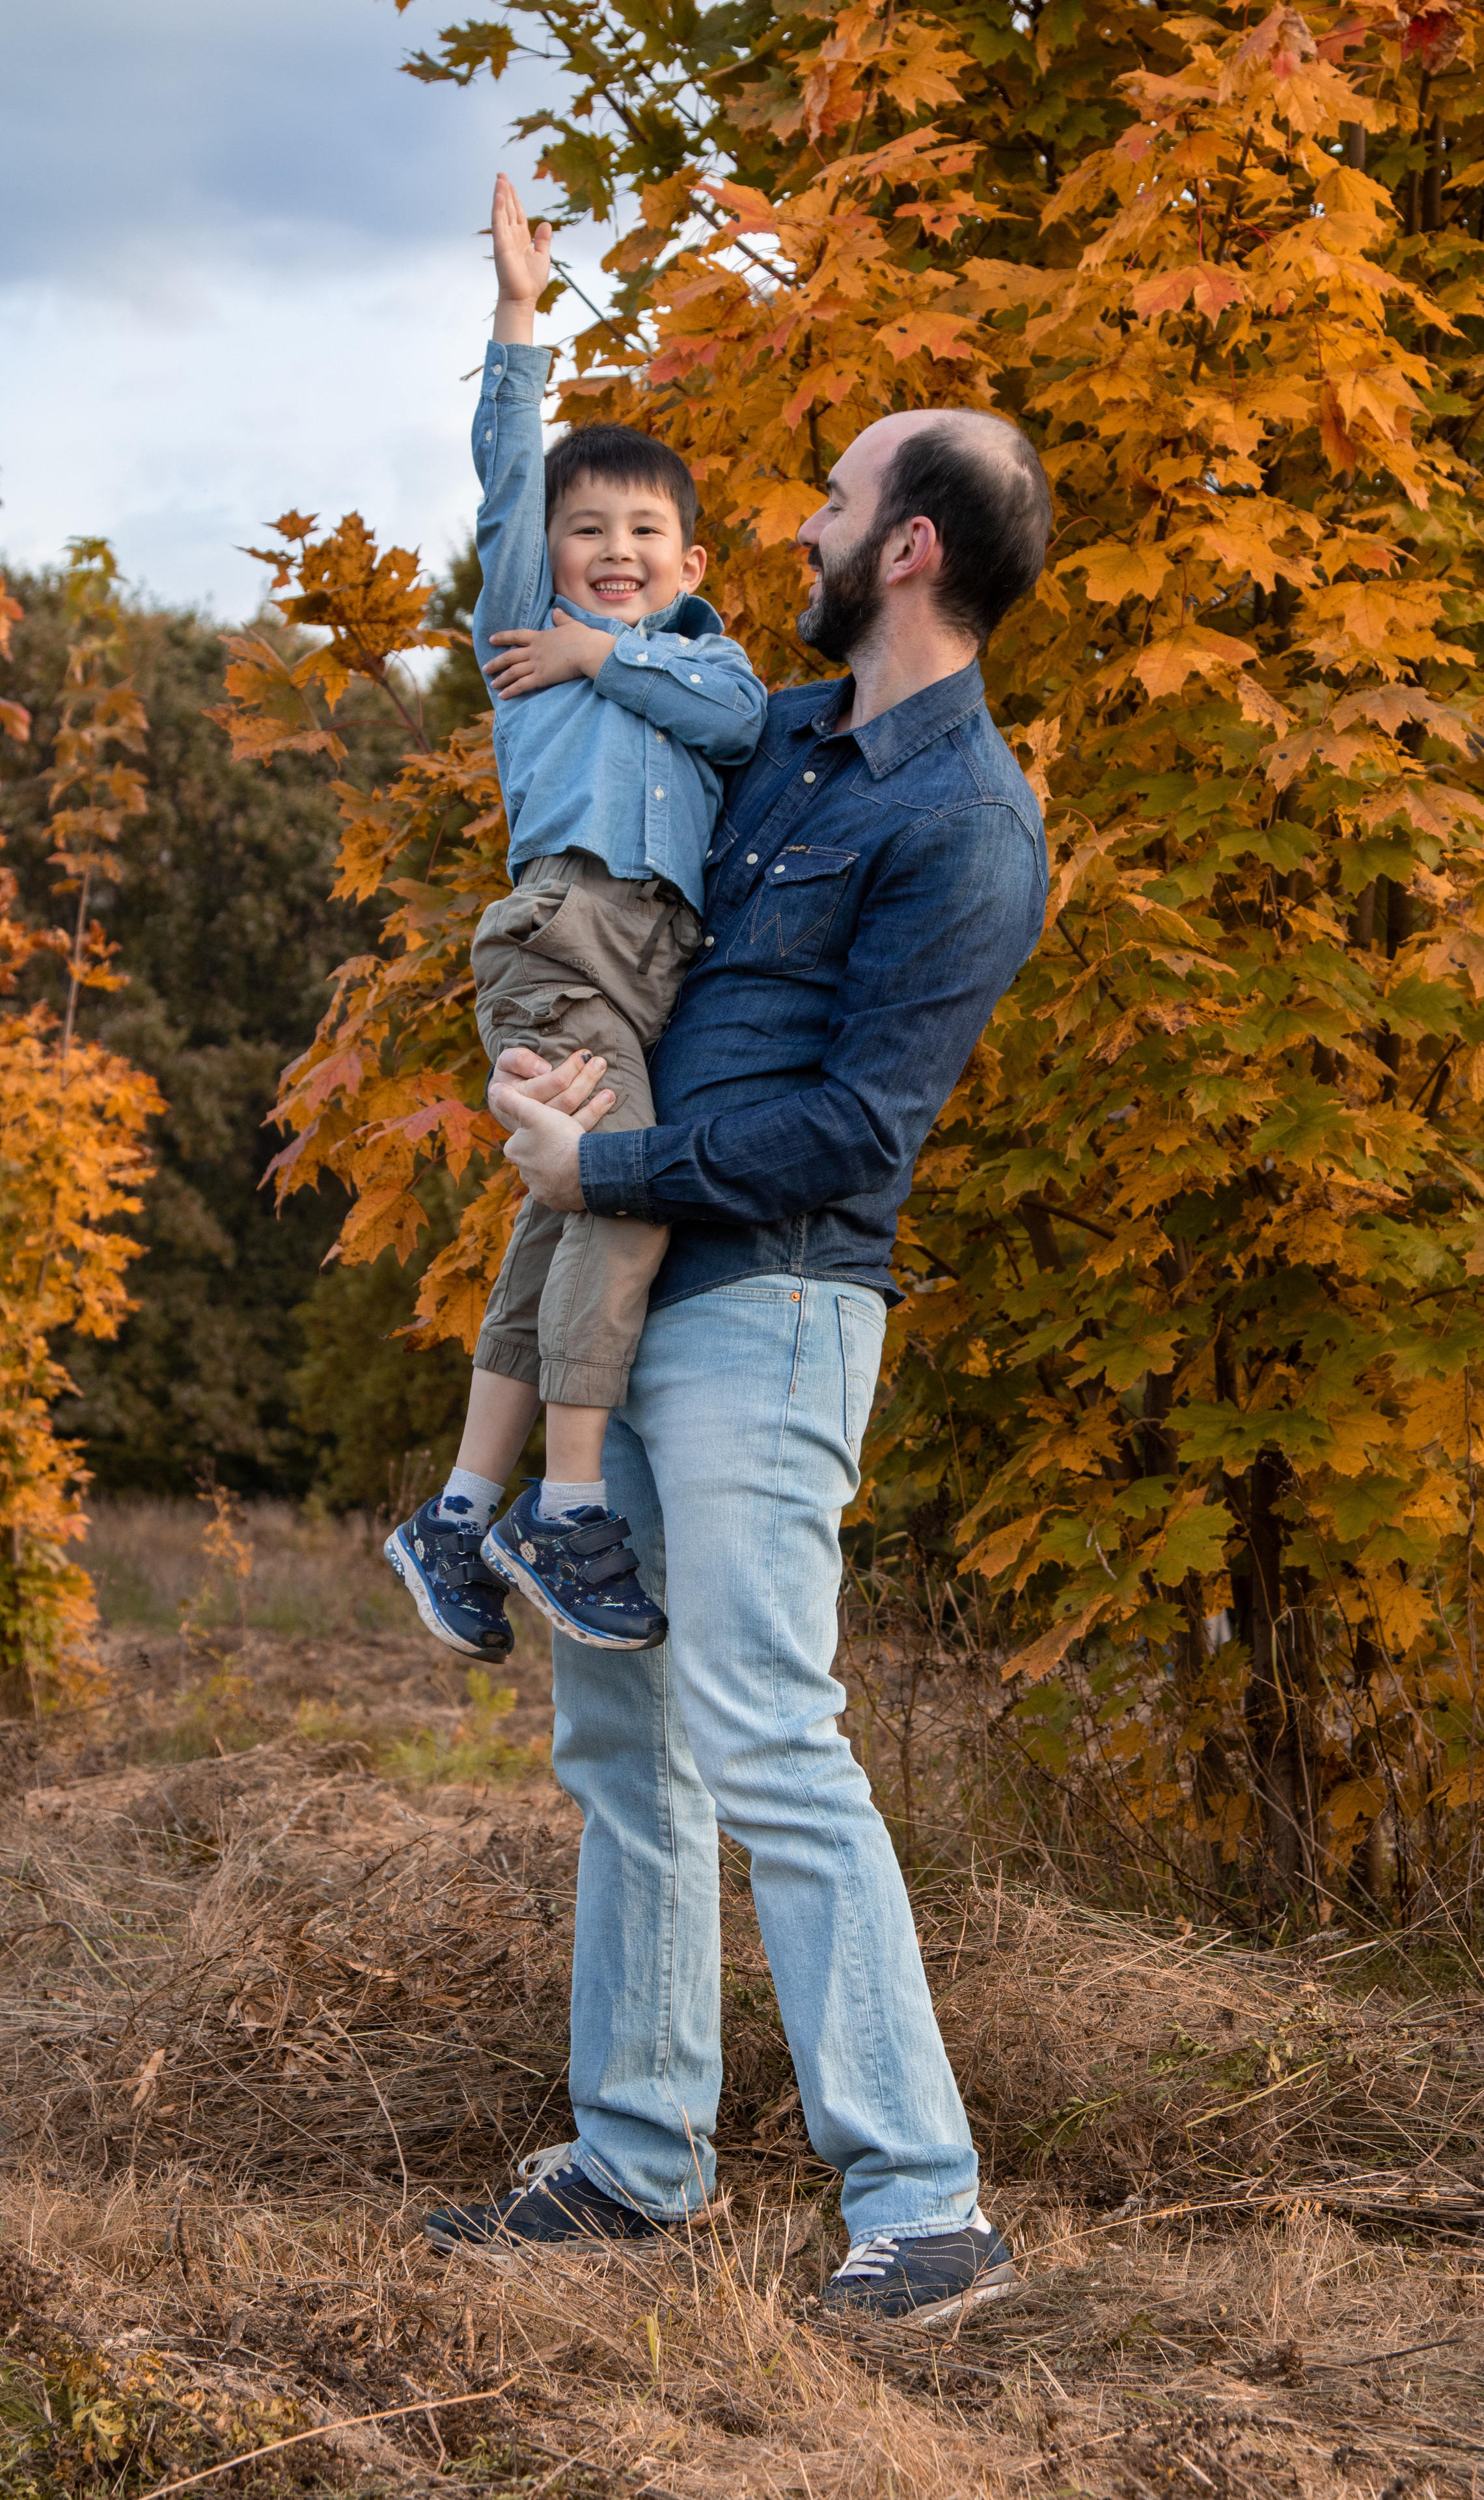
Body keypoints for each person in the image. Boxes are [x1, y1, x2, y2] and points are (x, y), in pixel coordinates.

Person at [422, 394, 1056, 2329]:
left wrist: (601, 1158)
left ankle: (927, 2198)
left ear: (913, 549)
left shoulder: (967, 823)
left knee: (771, 1735)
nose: (801, 525)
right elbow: (635, 923)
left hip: (774, 1306)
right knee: (625, 1741)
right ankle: (637, 2160)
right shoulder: (782, 739)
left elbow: (860, 1132)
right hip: (650, 1284)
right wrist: (557, 1073)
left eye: (840, 498)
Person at [384, 174, 767, 1664]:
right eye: (586, 528)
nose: (613, 547)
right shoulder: (515, 640)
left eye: (645, 531)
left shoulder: (696, 665)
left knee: (566, 1205)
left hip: (643, 962)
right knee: (624, 1189)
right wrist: (518, 318)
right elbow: (501, 479)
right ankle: (564, 1498)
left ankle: (463, 1508)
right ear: (543, 554)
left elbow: (732, 721)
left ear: (689, 563)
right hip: (566, 933)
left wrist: (607, 656)